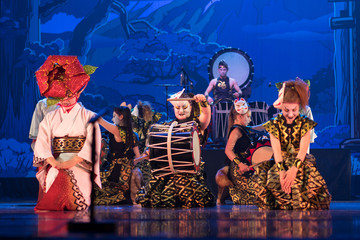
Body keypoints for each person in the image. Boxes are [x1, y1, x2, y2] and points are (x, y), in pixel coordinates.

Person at [33, 55, 101, 211]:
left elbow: (93, 144)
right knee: (53, 176)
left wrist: (73, 161)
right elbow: (42, 142)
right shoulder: (50, 118)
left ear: (77, 93)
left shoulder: (89, 116)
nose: (66, 100)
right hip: (56, 161)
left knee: (68, 183)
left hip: (80, 164)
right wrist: (52, 161)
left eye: (69, 95)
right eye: (62, 96)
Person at [252, 78, 331, 210]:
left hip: (299, 162)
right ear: (281, 106)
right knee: (273, 182)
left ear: (299, 105)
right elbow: (277, 152)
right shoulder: (274, 124)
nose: (290, 114)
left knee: (303, 184)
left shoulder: (305, 123)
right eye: (286, 110)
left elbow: (302, 151)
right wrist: (283, 173)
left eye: (294, 110)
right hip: (280, 162)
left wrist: (293, 171)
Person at [136, 89, 215, 208]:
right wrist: (149, 152)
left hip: (189, 173)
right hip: (168, 173)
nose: (181, 111)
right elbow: (155, 145)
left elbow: (206, 114)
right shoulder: (167, 127)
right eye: (177, 108)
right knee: (160, 198)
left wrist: (203, 101)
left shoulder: (197, 125)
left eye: (184, 107)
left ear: (191, 107)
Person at [215, 98, 272, 205]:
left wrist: (272, 123)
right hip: (240, 169)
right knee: (259, 196)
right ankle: (231, 192)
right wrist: (240, 164)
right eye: (248, 117)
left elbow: (258, 127)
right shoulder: (236, 130)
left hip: (247, 167)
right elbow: (228, 150)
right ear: (240, 116)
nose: (250, 120)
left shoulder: (244, 128)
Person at [94, 106, 141, 205]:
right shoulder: (133, 134)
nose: (112, 119)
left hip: (117, 171)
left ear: (121, 117)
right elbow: (138, 156)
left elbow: (100, 120)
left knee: (93, 181)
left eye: (114, 116)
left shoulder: (117, 130)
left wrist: (88, 112)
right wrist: (131, 165)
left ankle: (119, 195)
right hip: (126, 172)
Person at [204, 60, 242, 144]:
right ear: (218, 70)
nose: (222, 71)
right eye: (221, 70)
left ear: (227, 70)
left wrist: (237, 93)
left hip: (229, 105)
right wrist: (208, 97)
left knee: (229, 122)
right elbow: (206, 92)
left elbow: (240, 92)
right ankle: (216, 138)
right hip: (218, 105)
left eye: (224, 70)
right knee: (217, 122)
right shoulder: (213, 81)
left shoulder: (232, 81)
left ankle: (229, 138)